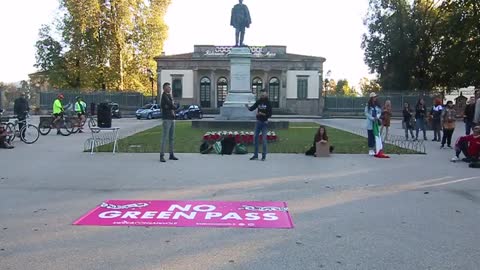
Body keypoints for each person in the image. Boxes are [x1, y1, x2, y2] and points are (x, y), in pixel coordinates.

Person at [245, 90, 272, 161]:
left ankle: (263, 156)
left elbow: (270, 114)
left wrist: (261, 114)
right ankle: (255, 155)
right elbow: (253, 108)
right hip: (258, 122)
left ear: (266, 95)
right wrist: (248, 107)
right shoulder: (259, 101)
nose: (262, 96)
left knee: (264, 139)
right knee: (255, 138)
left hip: (264, 123)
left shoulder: (268, 103)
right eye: (261, 95)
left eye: (264, 95)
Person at [160, 82, 178, 163]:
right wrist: (174, 106)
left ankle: (171, 154)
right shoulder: (164, 96)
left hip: (172, 118)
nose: (170, 88)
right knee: (165, 137)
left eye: (170, 87)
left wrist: (172, 106)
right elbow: (170, 105)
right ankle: (162, 155)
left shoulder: (170, 96)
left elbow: (171, 106)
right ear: (164, 88)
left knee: (172, 137)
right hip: (167, 119)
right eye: (168, 87)